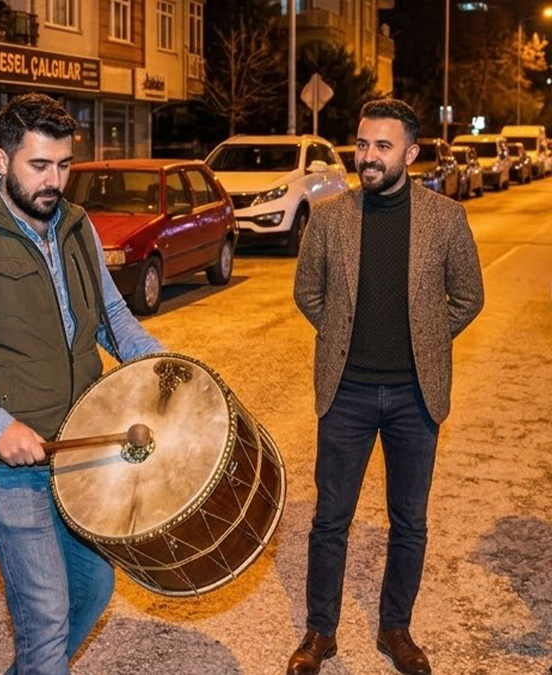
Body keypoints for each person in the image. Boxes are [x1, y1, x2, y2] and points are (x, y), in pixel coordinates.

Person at [0, 92, 166, 675]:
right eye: (38, 166)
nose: (54, 181)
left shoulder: (77, 228)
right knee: (46, 613)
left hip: (78, 449)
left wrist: (163, 367)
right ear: (1, 160)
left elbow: (113, 318)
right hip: (6, 465)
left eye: (64, 165)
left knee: (93, 585)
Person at [289, 98, 484, 675]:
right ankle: (319, 633)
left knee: (410, 520)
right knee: (330, 519)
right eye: (363, 143)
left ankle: (395, 629)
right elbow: (308, 292)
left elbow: (468, 297)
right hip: (345, 393)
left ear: (411, 153)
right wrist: (343, 334)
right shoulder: (330, 217)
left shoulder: (445, 218)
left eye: (383, 146)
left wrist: (424, 337)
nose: (368, 156)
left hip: (414, 398)